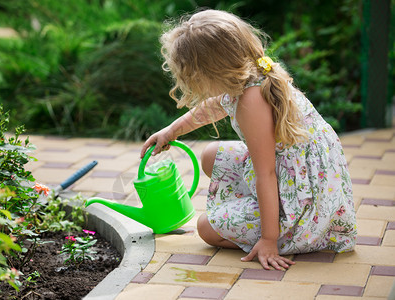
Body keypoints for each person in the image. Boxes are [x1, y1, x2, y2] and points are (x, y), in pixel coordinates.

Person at [140, 9, 356, 270]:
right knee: (210, 155)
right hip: (295, 171)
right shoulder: (251, 75)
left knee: (206, 229)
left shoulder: (251, 101)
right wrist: (171, 131)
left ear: (209, 72)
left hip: (304, 199)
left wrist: (269, 239)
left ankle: (287, 232)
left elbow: (266, 174)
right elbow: (213, 108)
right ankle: (256, 211)